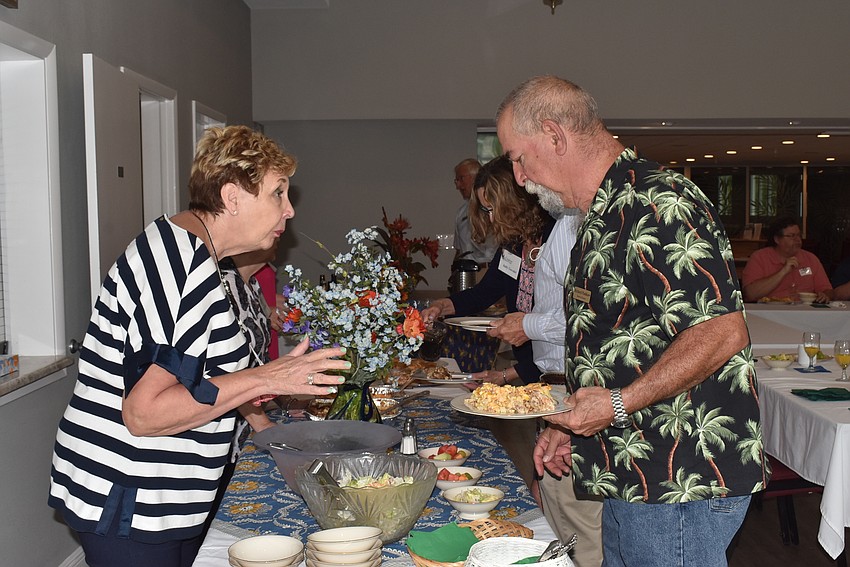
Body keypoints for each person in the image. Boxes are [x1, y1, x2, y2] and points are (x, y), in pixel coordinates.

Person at [497, 76, 768, 567]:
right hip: (631, 468)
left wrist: (617, 404)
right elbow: (615, 346)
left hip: (679, 477)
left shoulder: (658, 201)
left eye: (519, 157)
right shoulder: (599, 212)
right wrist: (576, 423)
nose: (518, 177)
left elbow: (722, 331)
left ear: (556, 137)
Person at [48, 125, 349, 567]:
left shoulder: (199, 258)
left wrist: (266, 410)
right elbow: (144, 412)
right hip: (131, 496)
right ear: (232, 197)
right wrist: (267, 376)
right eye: (277, 194)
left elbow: (199, 377)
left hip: (166, 497)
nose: (289, 211)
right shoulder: (179, 263)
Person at [423, 156, 554, 385]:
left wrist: (506, 375)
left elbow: (562, 323)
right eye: (487, 210)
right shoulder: (513, 245)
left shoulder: (556, 236)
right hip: (532, 370)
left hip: (557, 369)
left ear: (517, 200)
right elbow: (483, 294)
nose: (492, 218)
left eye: (495, 208)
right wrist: (441, 305)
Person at [741, 217, 833, 303]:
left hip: (805, 313)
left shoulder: (810, 259)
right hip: (769, 314)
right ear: (777, 239)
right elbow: (750, 294)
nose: (797, 240)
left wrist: (825, 295)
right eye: (791, 236)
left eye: (799, 235)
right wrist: (783, 271)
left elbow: (827, 290)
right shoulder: (760, 257)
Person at [452, 158, 498, 266]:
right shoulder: (461, 213)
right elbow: (459, 250)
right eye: (456, 181)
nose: (458, 186)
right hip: (468, 273)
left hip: (491, 269)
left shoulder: (495, 208)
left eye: (461, 179)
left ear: (476, 177)